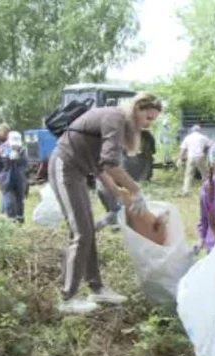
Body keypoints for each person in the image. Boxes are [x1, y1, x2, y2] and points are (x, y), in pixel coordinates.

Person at [48, 91, 162, 313]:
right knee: (81, 232)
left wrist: (117, 192)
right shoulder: (115, 118)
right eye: (148, 118)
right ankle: (66, 299)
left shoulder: (118, 121)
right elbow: (110, 164)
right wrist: (135, 189)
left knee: (88, 229)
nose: (148, 125)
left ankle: (97, 288)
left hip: (79, 172)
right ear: (137, 109)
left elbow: (99, 166)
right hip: (64, 167)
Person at [0, 131, 29, 224]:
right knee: (9, 202)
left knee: (19, 202)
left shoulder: (23, 151)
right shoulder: (2, 150)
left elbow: (26, 166)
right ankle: (11, 222)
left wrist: (19, 159)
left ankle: (20, 222)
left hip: (19, 180)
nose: (15, 146)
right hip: (6, 180)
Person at [178, 125, 211, 196]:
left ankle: (186, 190)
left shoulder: (188, 137)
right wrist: (206, 153)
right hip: (200, 157)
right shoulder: (203, 137)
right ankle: (206, 189)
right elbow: (210, 145)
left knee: (188, 175)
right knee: (205, 174)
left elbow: (183, 149)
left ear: (192, 130)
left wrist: (180, 159)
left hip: (190, 157)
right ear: (199, 130)